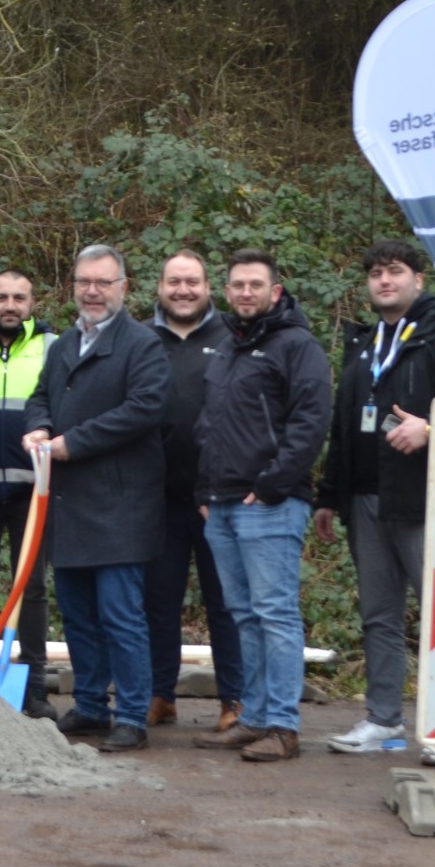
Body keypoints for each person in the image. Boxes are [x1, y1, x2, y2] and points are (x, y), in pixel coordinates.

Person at [314, 240, 435, 753]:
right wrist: (329, 495)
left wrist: (434, 428)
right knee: (379, 615)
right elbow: (345, 428)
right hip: (366, 501)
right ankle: (383, 720)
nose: (383, 281)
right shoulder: (366, 343)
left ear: (418, 278)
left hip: (428, 500)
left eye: (394, 271)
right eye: (374, 273)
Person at [23, 245, 170, 753]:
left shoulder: (143, 344)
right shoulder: (64, 343)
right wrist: (38, 427)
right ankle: (89, 703)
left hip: (120, 508)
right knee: (79, 614)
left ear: (124, 288)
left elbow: (143, 409)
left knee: (121, 616)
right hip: (69, 506)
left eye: (103, 283)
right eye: (85, 281)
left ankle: (131, 714)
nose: (92, 291)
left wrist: (70, 443)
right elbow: (40, 396)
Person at [193, 249, 331, 763]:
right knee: (243, 616)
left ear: (276, 292)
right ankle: (251, 717)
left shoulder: (298, 346)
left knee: (274, 614)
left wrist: (274, 484)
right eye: (237, 285)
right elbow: (209, 426)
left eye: (255, 284)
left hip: (269, 503)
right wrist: (202, 492)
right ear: (226, 292)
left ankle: (283, 725)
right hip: (221, 505)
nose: (245, 292)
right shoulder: (228, 348)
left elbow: (311, 421)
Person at [144, 250, 243, 733]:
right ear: (158, 287)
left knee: (225, 602)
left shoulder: (233, 337)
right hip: (155, 497)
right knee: (157, 602)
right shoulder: (140, 338)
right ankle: (160, 695)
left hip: (219, 497)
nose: (183, 290)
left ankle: (234, 699)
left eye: (193, 282)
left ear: (209, 287)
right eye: (174, 282)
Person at [0, 268, 58, 719]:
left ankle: (35, 685)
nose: (11, 305)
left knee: (33, 588)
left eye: (20, 298)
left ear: (32, 303)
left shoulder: (52, 347)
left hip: (33, 488)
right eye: (2, 296)